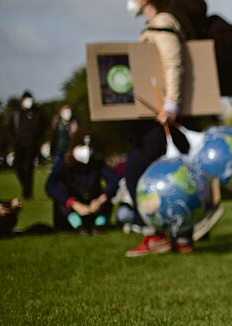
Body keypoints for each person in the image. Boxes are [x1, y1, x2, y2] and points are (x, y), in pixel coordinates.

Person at [123, 0, 193, 256]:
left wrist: (171, 104)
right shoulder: (158, 24)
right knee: (173, 175)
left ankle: (155, 235)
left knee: (136, 171)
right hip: (161, 113)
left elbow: (173, 63)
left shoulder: (163, 23)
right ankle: (182, 236)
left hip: (162, 115)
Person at [45, 132, 119, 234]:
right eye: (82, 146)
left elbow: (114, 181)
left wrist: (100, 199)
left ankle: (99, 224)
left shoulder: (97, 162)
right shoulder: (64, 163)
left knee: (108, 199)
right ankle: (77, 225)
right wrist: (72, 203)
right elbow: (50, 186)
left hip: (93, 206)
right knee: (60, 195)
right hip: (72, 208)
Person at [8, 90, 46, 199]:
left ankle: (27, 193)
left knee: (29, 168)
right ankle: (25, 186)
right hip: (19, 144)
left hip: (31, 144)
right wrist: (13, 140)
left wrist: (38, 137)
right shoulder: (15, 112)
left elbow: (43, 125)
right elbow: (9, 128)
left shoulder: (37, 112)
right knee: (18, 167)